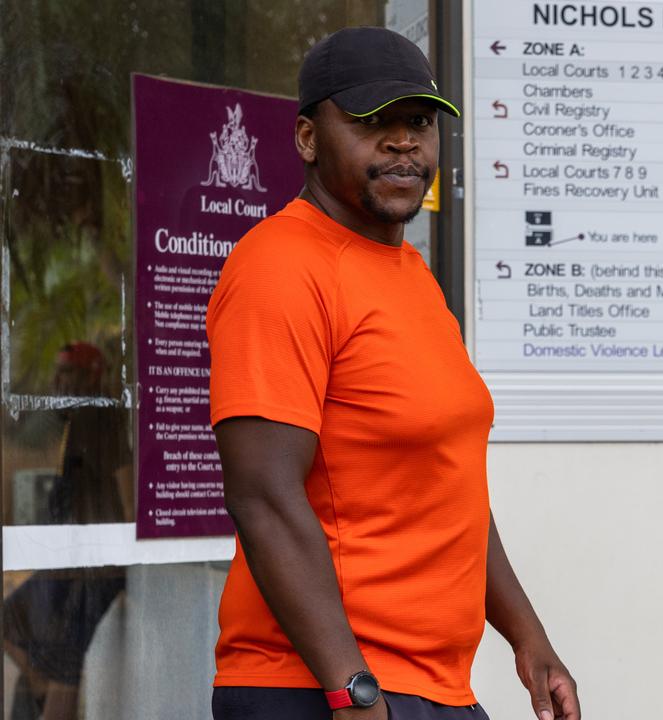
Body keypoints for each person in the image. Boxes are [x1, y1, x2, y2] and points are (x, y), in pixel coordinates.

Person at [205, 27, 580, 720]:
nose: (404, 141)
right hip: (321, 687)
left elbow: (446, 481)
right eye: (373, 122)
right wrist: (351, 689)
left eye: (419, 122)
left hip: (429, 687)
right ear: (308, 139)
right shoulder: (280, 268)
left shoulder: (414, 280)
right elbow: (263, 497)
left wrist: (528, 637)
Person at [4, 341, 132, 720]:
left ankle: (48, 689)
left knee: (64, 664)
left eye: (69, 373)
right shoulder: (74, 423)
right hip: (69, 557)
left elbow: (127, 497)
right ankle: (40, 683)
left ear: (92, 376)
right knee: (14, 619)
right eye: (57, 372)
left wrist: (129, 559)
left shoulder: (99, 420)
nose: (58, 381)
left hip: (94, 566)